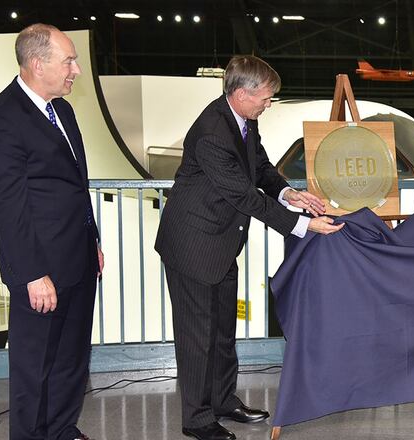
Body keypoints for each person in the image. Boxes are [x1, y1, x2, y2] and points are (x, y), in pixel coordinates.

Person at [154, 55, 342, 440]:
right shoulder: (211, 133)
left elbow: (260, 167)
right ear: (241, 93)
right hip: (194, 244)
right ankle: (197, 419)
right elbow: (244, 196)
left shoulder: (242, 120)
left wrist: (291, 192)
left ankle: (223, 401)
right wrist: (303, 226)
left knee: (222, 330)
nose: (268, 104)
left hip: (221, 242)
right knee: (197, 336)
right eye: (266, 97)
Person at [0, 24, 102, 440]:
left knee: (71, 357)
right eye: (68, 60)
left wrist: (95, 241)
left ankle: (61, 428)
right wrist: (33, 273)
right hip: (41, 270)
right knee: (36, 367)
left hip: (79, 258)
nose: (77, 70)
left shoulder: (62, 109)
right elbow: (8, 206)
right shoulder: (1, 118)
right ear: (37, 64)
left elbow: (75, 184)